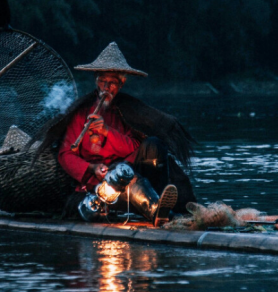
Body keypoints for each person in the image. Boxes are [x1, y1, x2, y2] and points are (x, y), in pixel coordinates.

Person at [38, 42, 196, 225]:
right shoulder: (81, 113)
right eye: (103, 81)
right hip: (100, 187)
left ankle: (158, 202)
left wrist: (107, 132)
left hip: (129, 175)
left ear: (121, 84)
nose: (106, 88)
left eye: (112, 83)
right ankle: (160, 212)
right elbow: (65, 155)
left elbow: (135, 147)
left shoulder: (126, 112)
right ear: (96, 81)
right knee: (123, 180)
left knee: (153, 145)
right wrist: (92, 168)